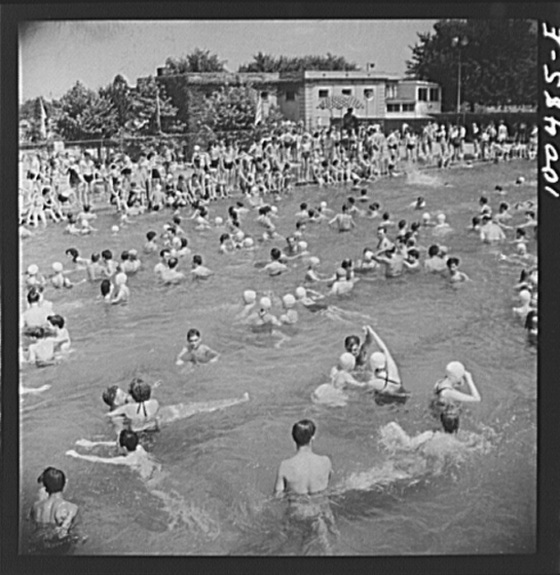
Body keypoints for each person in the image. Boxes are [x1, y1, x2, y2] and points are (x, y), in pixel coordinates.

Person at [66, 429, 160, 481]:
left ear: (124, 449)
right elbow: (114, 444)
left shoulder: (127, 460)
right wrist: (92, 444)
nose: (115, 444)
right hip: (158, 470)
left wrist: (78, 455)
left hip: (149, 481)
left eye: (117, 443)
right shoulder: (139, 448)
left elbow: (99, 459)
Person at [274, 420, 332, 497]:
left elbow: (277, 496)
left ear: (294, 438)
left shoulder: (285, 466)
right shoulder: (326, 462)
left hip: (297, 508)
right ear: (313, 437)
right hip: (322, 507)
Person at [431, 361, 481, 433]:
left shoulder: (440, 383)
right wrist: (470, 379)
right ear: (456, 377)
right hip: (449, 419)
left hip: (441, 414)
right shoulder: (448, 393)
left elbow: (457, 383)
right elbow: (477, 399)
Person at [31, 467, 79, 541]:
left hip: (37, 544)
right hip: (59, 547)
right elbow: (64, 533)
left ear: (45, 487)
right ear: (64, 485)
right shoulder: (71, 508)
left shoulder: (35, 506)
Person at [365, 326, 407, 398]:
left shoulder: (373, 383)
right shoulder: (393, 372)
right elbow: (384, 350)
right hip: (400, 393)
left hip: (385, 399)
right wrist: (372, 332)